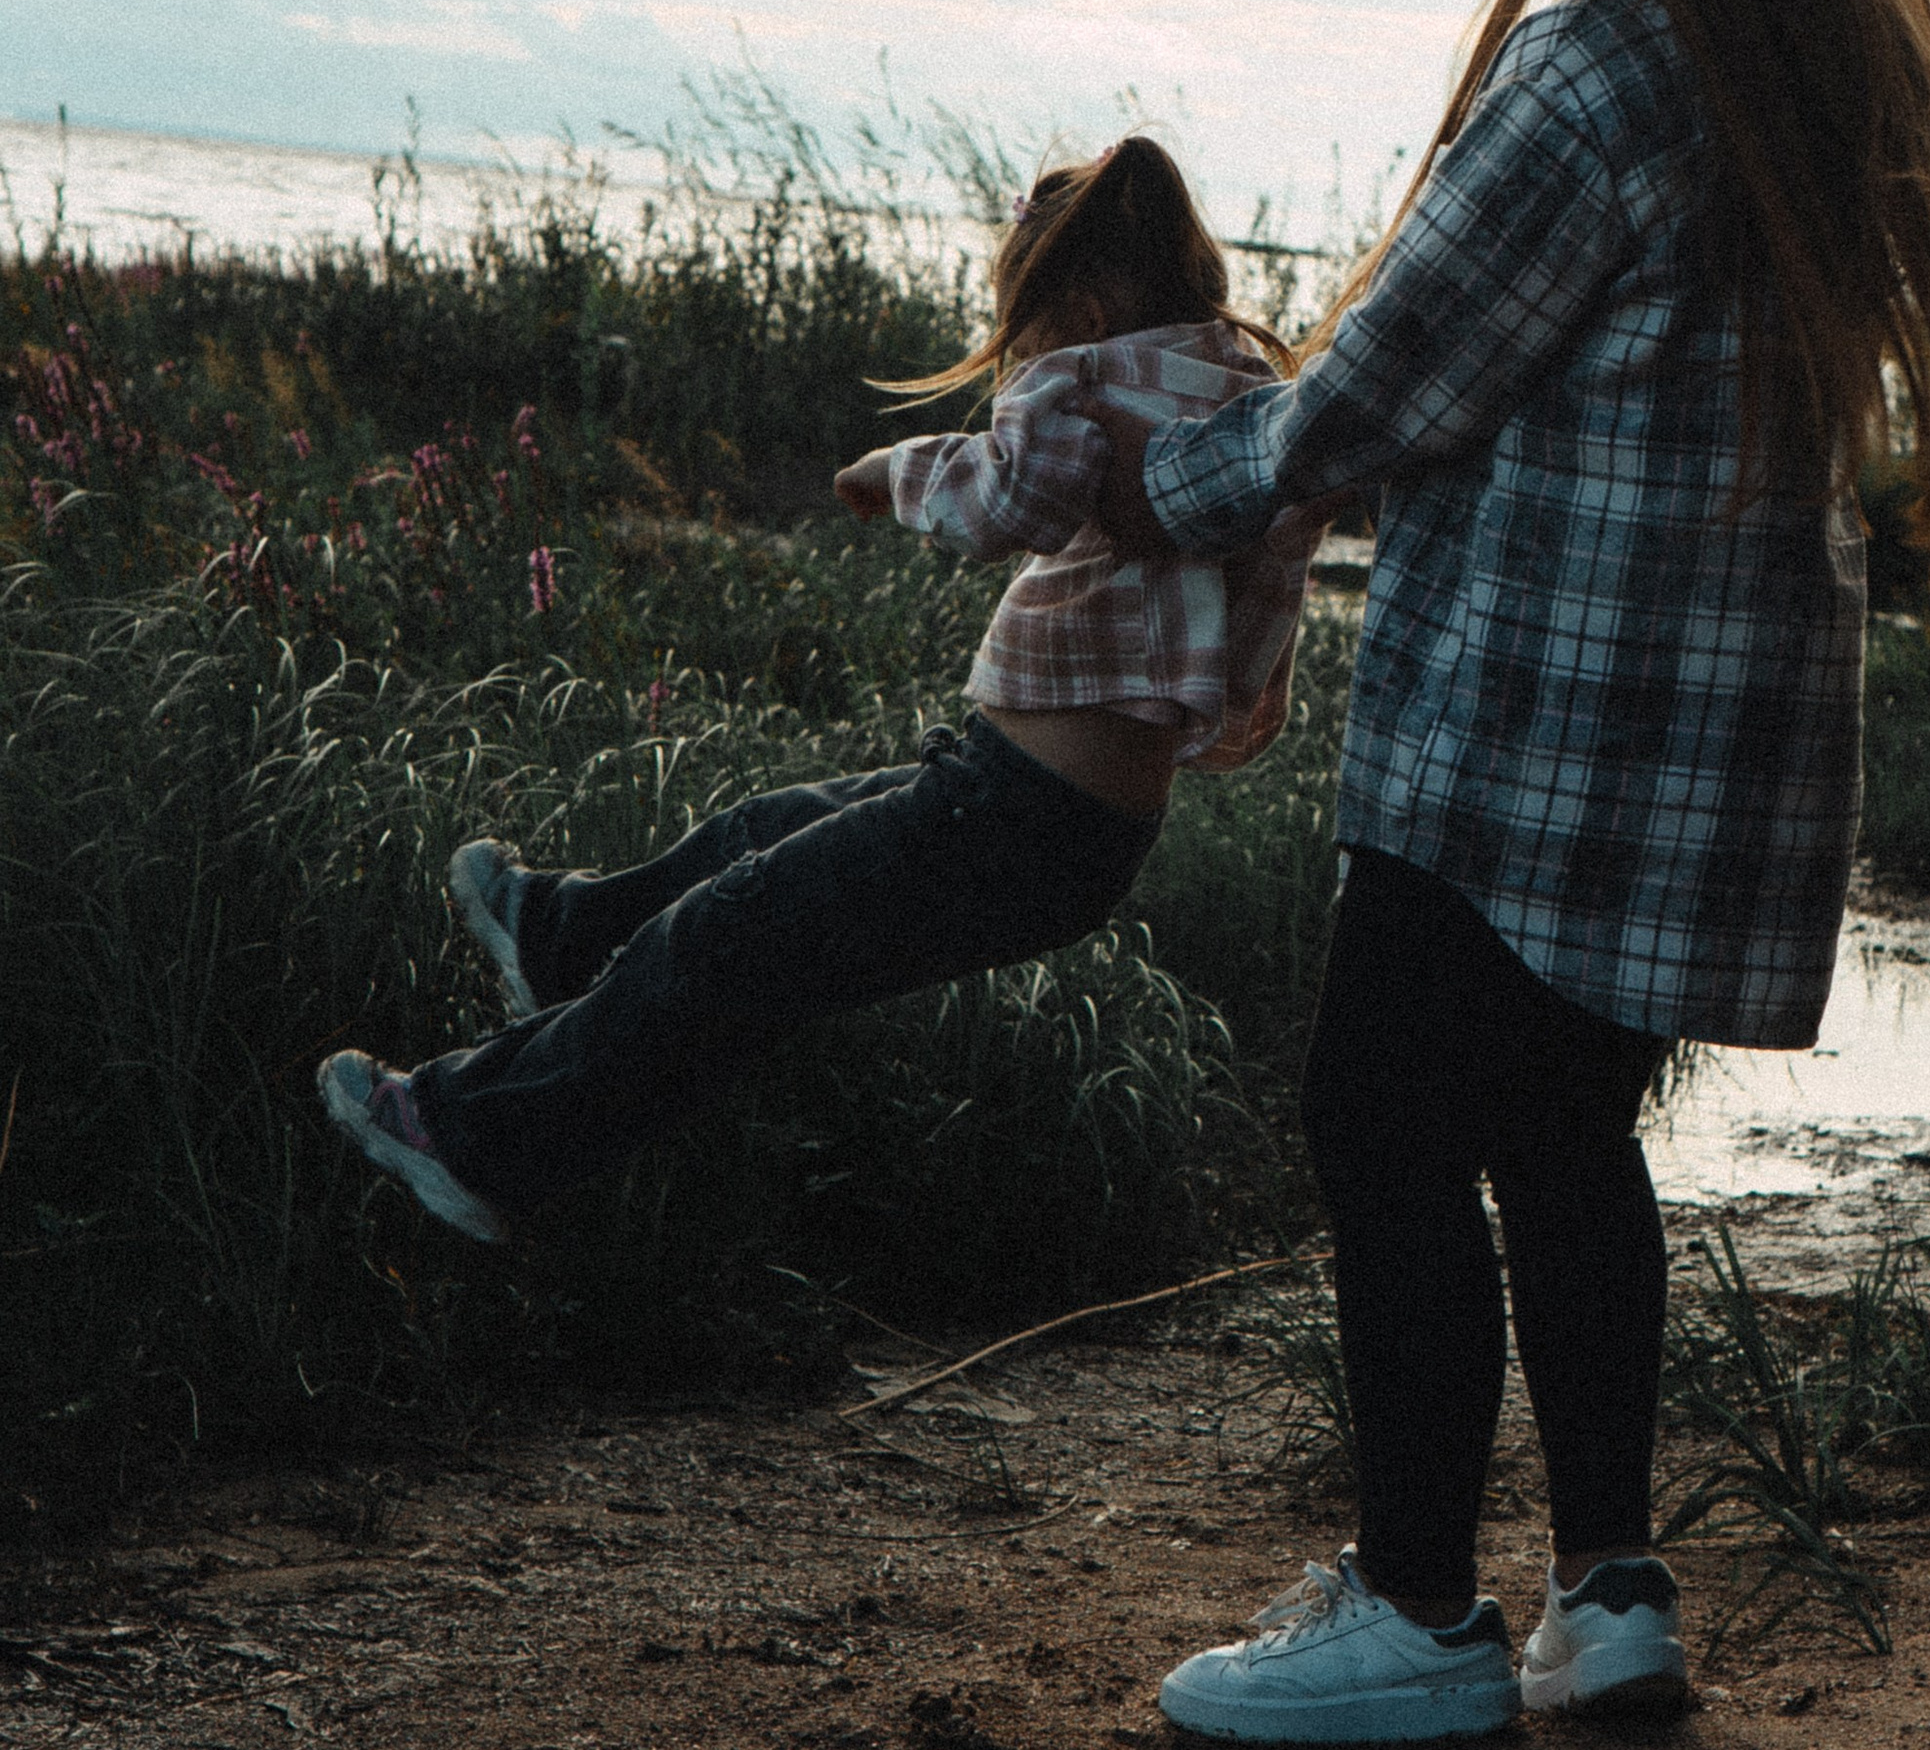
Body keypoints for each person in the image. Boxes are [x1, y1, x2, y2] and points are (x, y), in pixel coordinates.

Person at [1090, 0, 1930, 1748]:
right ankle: (1607, 1593)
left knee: (1376, 1115)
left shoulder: (1601, 70)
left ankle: (1417, 1616)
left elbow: (1390, 385)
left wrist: (1154, 489)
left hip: (1534, 714)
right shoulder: (1793, 65)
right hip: (1697, 739)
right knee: (1559, 1128)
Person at [317, 138, 1324, 1245]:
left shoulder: (1084, 372)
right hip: (1055, 819)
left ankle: (473, 1138)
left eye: (1020, 336)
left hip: (1015, 815)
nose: (1017, 363)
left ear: (1081, 309)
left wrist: (895, 472)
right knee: (762, 841)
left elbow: (1005, 508)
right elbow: (1271, 582)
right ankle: (560, 936)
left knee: (729, 941)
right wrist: (1229, 712)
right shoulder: (1250, 396)